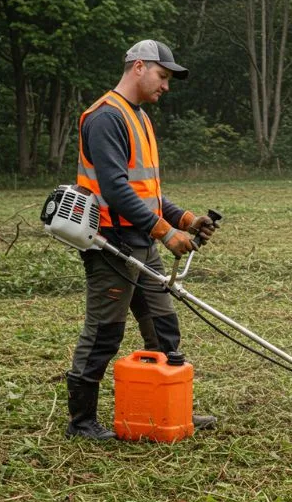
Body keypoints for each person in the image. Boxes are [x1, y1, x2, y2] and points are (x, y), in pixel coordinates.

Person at [66, 39, 218, 439]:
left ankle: (171, 405)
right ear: (138, 67)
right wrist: (167, 233)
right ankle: (81, 423)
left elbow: (146, 190)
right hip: (111, 243)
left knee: (162, 321)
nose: (165, 86)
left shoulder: (139, 118)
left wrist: (184, 219)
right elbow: (116, 190)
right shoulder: (104, 117)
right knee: (104, 331)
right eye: (162, 76)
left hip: (142, 240)